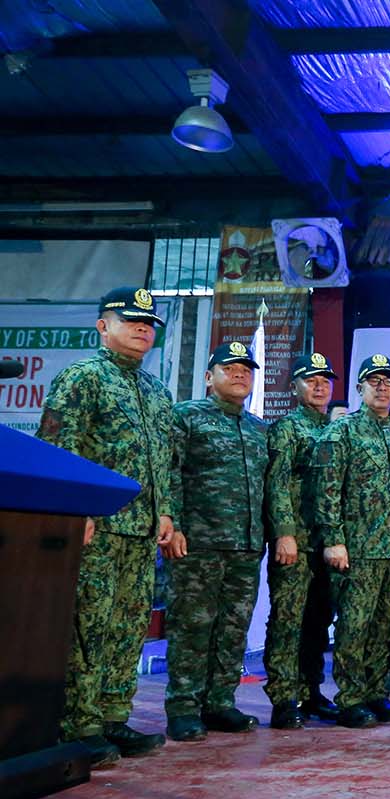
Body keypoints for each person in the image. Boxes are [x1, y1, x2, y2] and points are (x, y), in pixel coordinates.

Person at [37, 286, 175, 766]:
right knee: (87, 627)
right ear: (103, 325)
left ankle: (114, 716)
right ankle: (80, 724)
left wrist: (166, 511)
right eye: (131, 319)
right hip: (97, 527)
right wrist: (75, 512)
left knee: (128, 627)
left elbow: (165, 461)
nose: (142, 328)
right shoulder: (82, 378)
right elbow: (57, 450)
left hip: (140, 530)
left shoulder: (156, 391)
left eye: (149, 323)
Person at [161, 342, 269, 741]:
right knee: (192, 626)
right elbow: (169, 471)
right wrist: (173, 524)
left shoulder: (258, 430)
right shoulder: (187, 418)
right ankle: (184, 706)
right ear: (209, 377)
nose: (240, 374)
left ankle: (221, 702)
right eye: (230, 367)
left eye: (246, 369)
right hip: (197, 544)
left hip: (244, 546)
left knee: (232, 628)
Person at [314, 354, 390, 728]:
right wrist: (334, 540)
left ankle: (375, 692)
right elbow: (327, 491)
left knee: (387, 626)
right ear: (359, 388)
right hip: (357, 549)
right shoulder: (342, 432)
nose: (382, 387)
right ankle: (351, 698)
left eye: (388, 381)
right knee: (354, 626)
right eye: (374, 381)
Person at [263, 352, 340, 729]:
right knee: (288, 621)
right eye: (311, 379)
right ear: (295, 386)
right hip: (297, 541)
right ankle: (283, 698)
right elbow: (276, 484)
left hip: (329, 543)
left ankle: (311, 692)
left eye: (325, 380)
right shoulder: (287, 429)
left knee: (318, 621)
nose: (320, 385)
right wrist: (284, 533)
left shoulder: (337, 430)